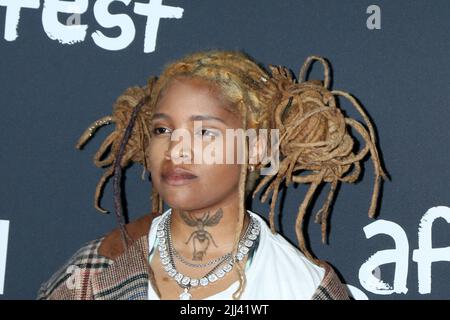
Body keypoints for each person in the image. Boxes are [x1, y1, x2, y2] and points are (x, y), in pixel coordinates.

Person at [37, 50, 388, 300]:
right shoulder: (96, 270)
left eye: (204, 132)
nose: (176, 150)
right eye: (162, 130)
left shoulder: (304, 289)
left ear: (255, 149)